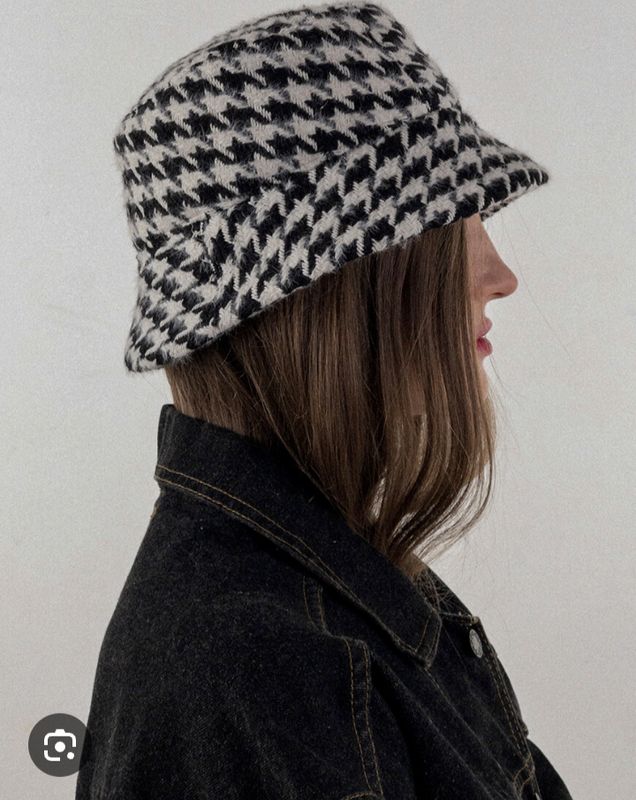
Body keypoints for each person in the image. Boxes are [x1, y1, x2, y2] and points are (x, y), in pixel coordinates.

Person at [76, 2, 574, 798]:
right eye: (455, 221)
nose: (499, 275)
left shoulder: (319, 595)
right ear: (329, 287)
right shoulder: (265, 668)